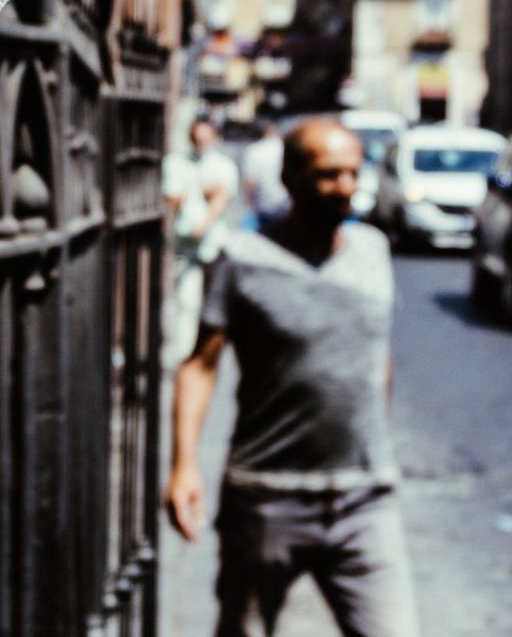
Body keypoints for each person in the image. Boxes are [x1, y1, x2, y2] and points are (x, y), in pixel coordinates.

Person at [165, 117, 418, 637]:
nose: (345, 188)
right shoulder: (242, 258)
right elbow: (200, 365)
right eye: (329, 175)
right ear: (290, 178)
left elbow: (377, 355)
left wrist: (371, 437)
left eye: (353, 173)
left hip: (364, 500)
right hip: (266, 499)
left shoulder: (373, 250)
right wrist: (184, 465)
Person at [163, 117, 241, 362]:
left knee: (214, 299)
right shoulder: (176, 163)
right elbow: (174, 196)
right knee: (188, 299)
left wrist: (205, 219)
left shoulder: (223, 165)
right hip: (186, 241)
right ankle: (185, 350)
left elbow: (222, 196)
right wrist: (199, 193)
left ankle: (208, 349)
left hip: (214, 242)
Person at [238, 118, 290, 231]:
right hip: (288, 206)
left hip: (265, 207)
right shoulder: (286, 147)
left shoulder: (253, 151)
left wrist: (249, 206)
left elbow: (249, 182)